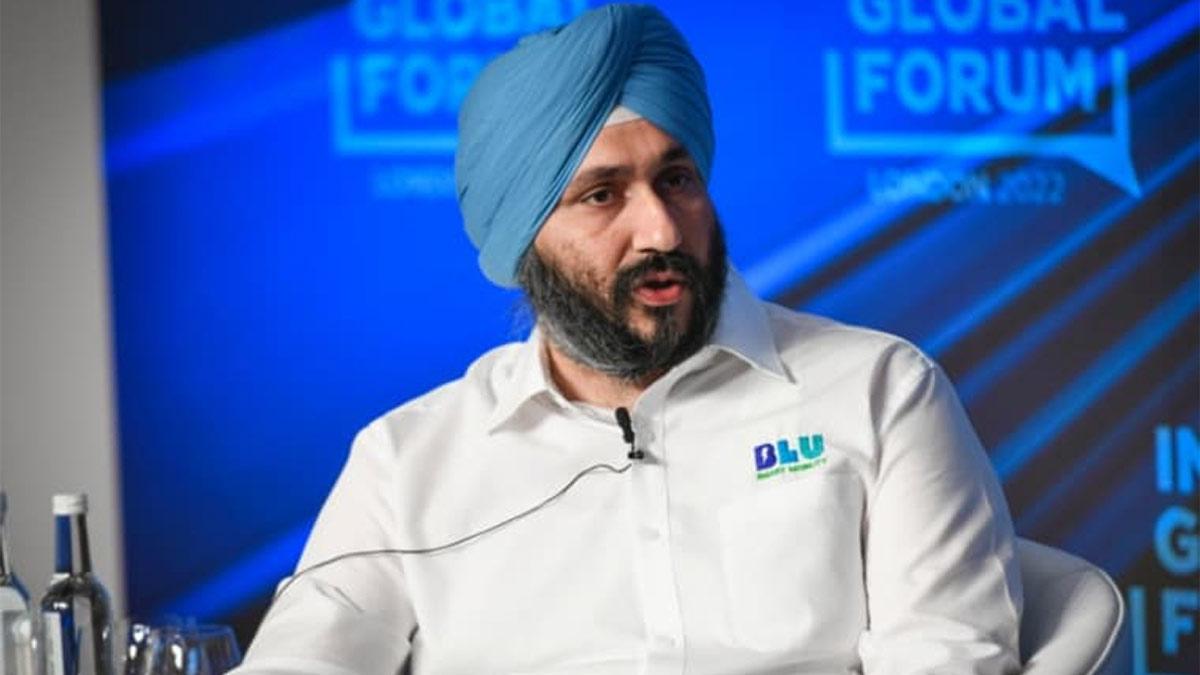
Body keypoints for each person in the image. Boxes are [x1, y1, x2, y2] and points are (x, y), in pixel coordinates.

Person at [235, 4, 1023, 674]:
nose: (661, 230)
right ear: (523, 239)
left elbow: (949, 657)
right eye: (602, 195)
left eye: (676, 180)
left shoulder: (880, 391)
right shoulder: (410, 462)